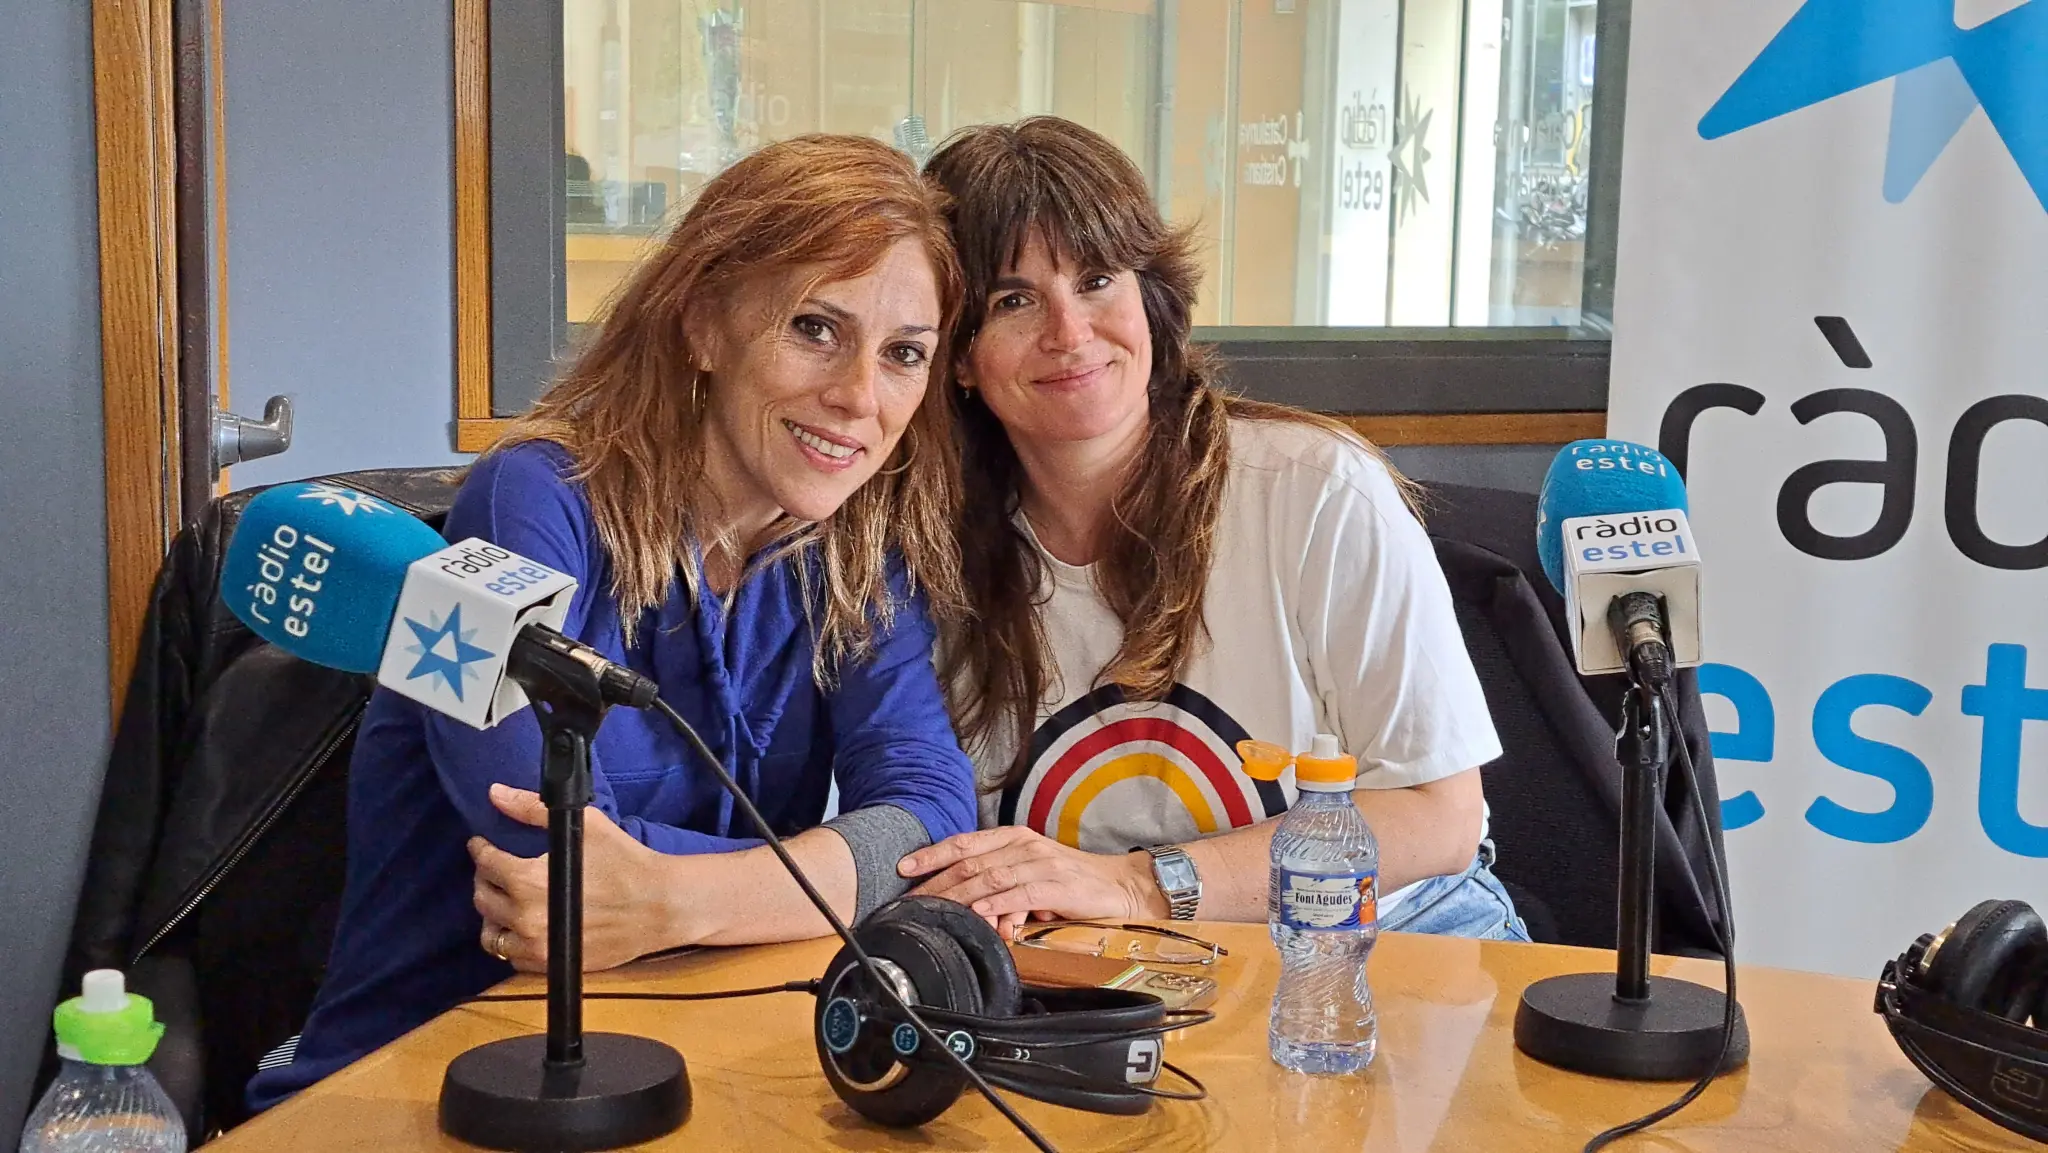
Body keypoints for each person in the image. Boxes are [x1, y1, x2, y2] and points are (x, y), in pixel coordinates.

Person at [249, 135, 979, 1108]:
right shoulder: (519, 505)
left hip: (696, 1065)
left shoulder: (858, 555)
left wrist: (678, 900)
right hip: (421, 1083)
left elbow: (931, 822)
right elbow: (536, 852)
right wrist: (838, 873)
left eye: (904, 354)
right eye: (814, 327)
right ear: (703, 324)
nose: (860, 396)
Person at [899, 117, 1527, 942]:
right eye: (1013, 300)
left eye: (1097, 280)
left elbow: (1439, 816)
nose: (1069, 332)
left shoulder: (1314, 488)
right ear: (956, 353)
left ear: (1151, 300)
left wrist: (1141, 884)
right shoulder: (922, 540)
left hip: (1386, 934)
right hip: (1089, 958)